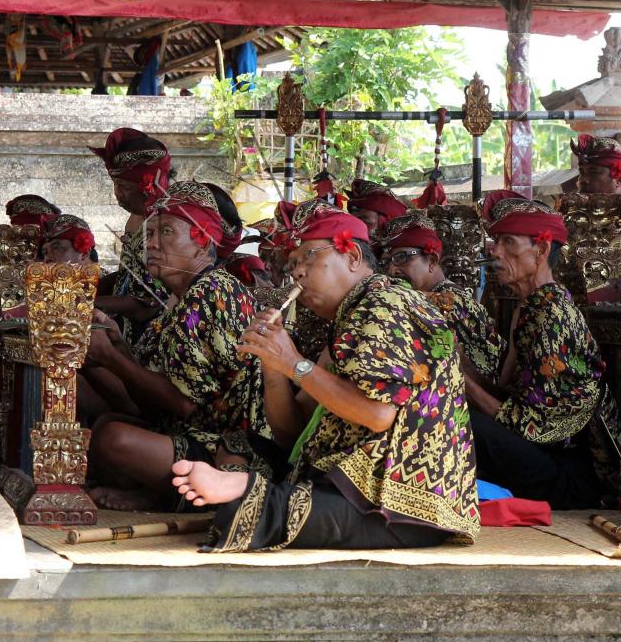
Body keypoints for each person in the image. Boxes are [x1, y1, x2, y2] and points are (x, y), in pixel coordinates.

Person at [171, 199, 479, 551]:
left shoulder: (386, 303)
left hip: (398, 503)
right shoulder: (351, 318)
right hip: (351, 478)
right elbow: (292, 434)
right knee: (242, 444)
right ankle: (244, 488)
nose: (297, 272)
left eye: (309, 257)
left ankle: (240, 489)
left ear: (352, 258)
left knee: (268, 511)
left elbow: (378, 414)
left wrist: (294, 364)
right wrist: (273, 366)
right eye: (292, 265)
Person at [85, 181, 272, 510]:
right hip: (190, 431)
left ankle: (168, 498)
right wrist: (117, 343)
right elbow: (151, 392)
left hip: (231, 447)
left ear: (202, 242)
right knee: (102, 426)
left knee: (114, 439)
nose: (151, 244)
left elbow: (183, 404)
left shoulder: (213, 291)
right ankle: (158, 491)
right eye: (150, 235)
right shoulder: (182, 300)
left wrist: (112, 359)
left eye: (166, 232)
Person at [464, 192, 621, 509]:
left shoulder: (553, 316)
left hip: (569, 475)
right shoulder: (529, 308)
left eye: (508, 242)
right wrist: (456, 361)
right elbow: (506, 391)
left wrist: (460, 382)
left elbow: (533, 425)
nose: (494, 251)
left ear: (542, 249)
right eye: (495, 241)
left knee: (464, 421)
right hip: (542, 453)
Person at [374, 211, 504, 381]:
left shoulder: (449, 303)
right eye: (387, 262)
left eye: (401, 257)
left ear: (432, 260)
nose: (392, 270)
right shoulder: (423, 297)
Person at [89, 128, 173, 337]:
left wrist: (89, 301)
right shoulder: (135, 218)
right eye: (116, 185)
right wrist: (83, 288)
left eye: (123, 186)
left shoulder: (170, 225)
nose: (118, 194)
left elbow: (149, 303)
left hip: (155, 333)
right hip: (121, 326)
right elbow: (129, 276)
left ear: (148, 186)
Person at [570, 134, 621, 251]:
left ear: (619, 179)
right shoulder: (570, 214)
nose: (583, 180)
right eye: (582, 172)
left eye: (594, 172)